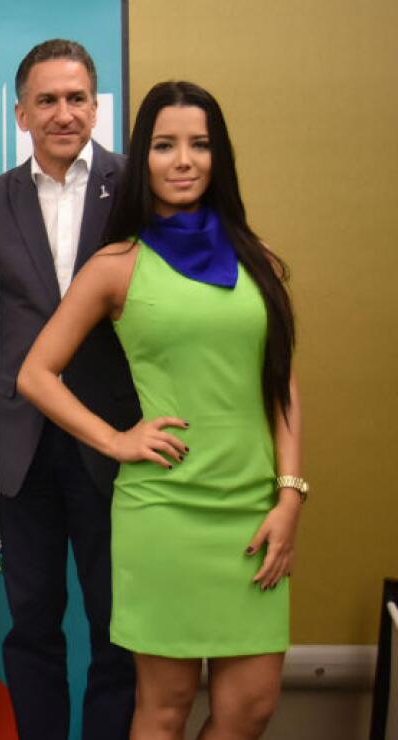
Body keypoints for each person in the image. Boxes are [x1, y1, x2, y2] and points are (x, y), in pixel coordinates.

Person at [17, 80, 301, 740]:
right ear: (141, 158)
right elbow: (36, 372)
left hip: (254, 514)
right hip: (164, 513)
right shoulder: (119, 264)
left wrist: (289, 497)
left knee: (249, 708)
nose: (183, 160)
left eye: (199, 145)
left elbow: (283, 387)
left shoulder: (262, 264)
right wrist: (115, 441)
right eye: (165, 145)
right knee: (164, 708)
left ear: (218, 157)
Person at [0, 39, 139, 739]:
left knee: (117, 625)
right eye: (48, 101)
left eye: (77, 98)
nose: (65, 113)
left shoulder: (135, 189)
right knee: (31, 625)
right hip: (20, 447)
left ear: (96, 106)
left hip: (112, 444)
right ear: (22, 113)